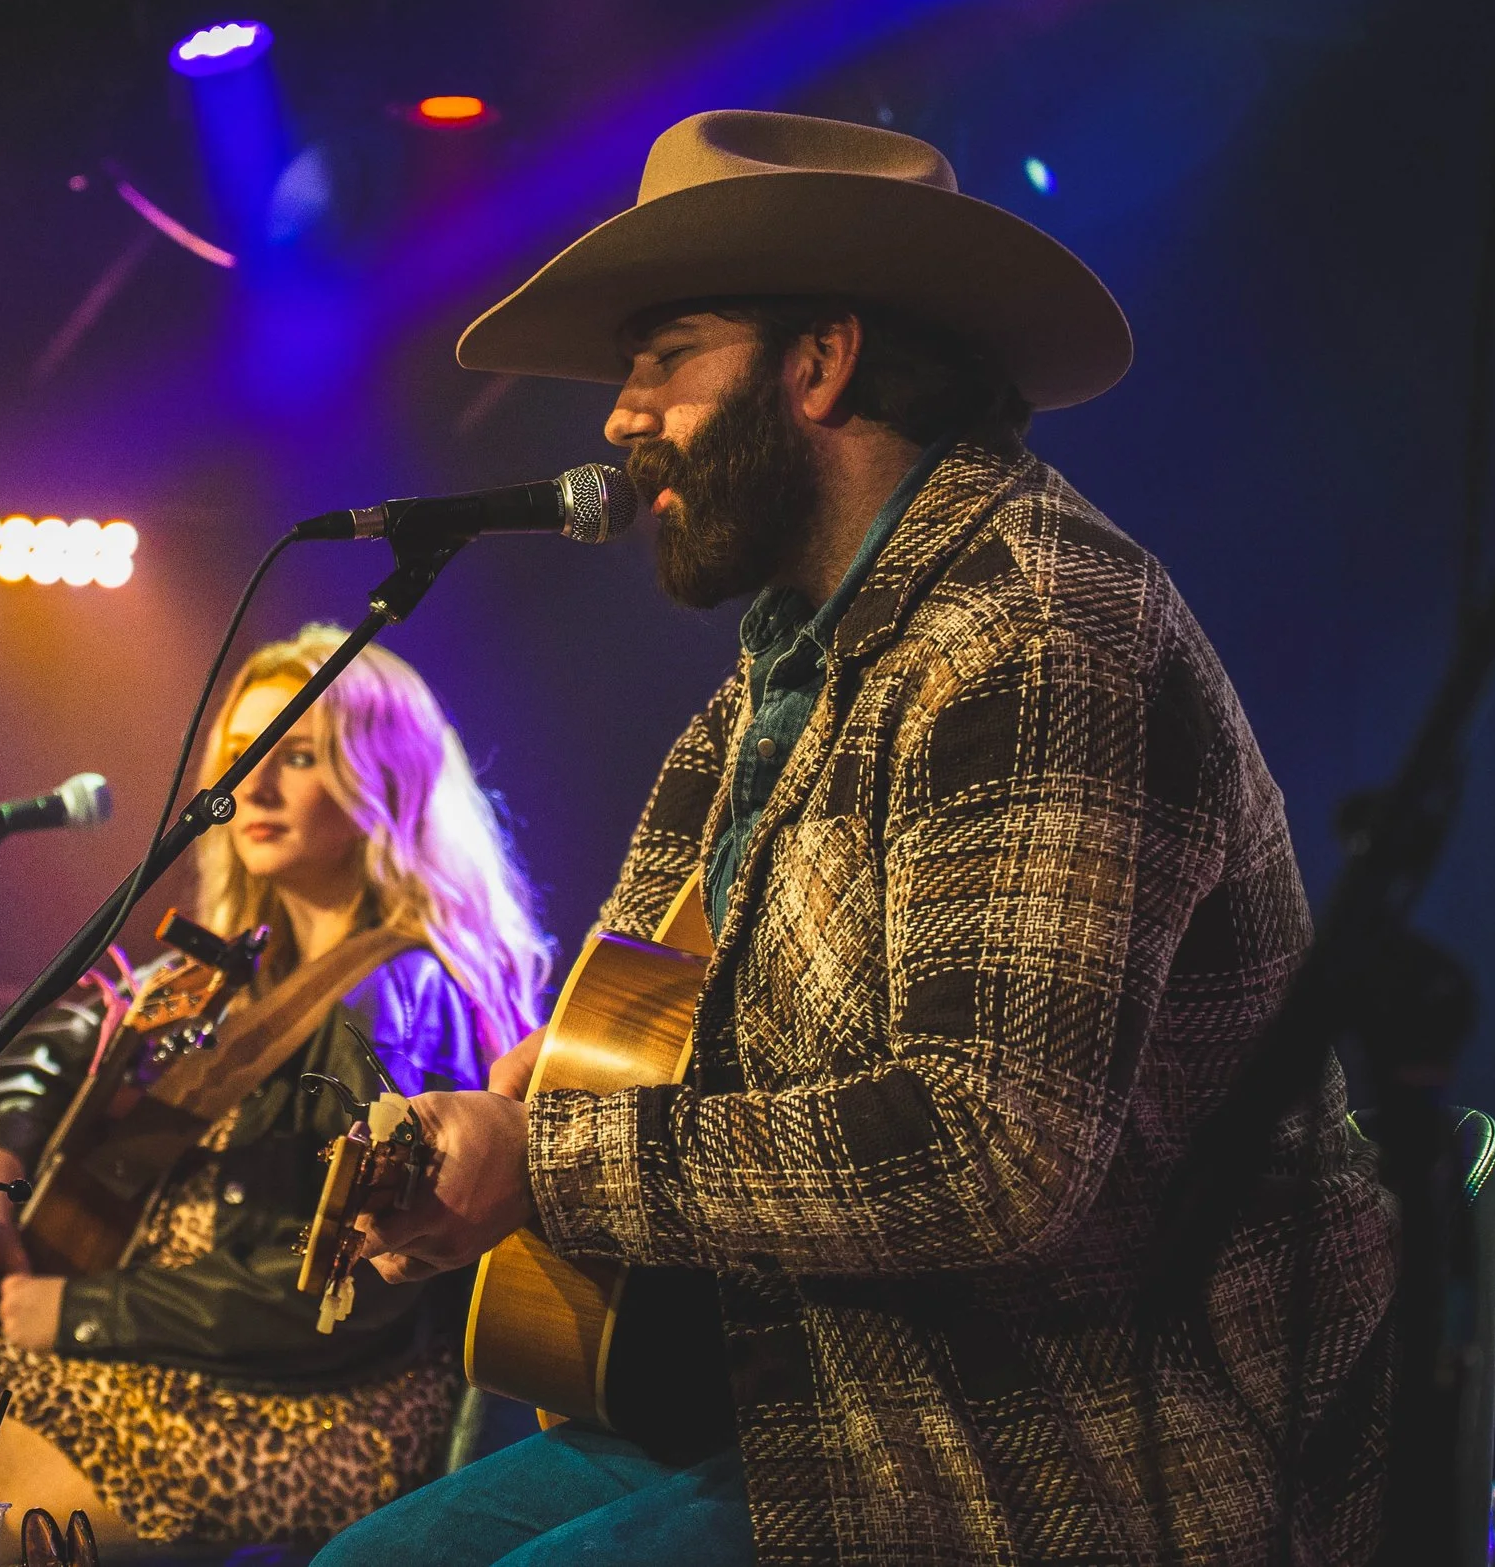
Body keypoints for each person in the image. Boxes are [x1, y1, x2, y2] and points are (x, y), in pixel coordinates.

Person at [317, 110, 1396, 1565]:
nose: (620, 418)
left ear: (818, 361)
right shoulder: (776, 680)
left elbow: (989, 1151)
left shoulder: (1037, 636)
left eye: (663, 356)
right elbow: (631, 1048)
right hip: (816, 1408)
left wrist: (552, 1157)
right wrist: (492, 1133)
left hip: (1061, 1457)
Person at [0, 626, 554, 1561]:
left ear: (383, 778)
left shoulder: (396, 992)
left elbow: (358, 1282)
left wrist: (78, 1310)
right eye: (242, 755)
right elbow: (61, 1034)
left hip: (297, 1410)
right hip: (157, 1361)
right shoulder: (223, 972)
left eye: (295, 755)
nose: (253, 786)